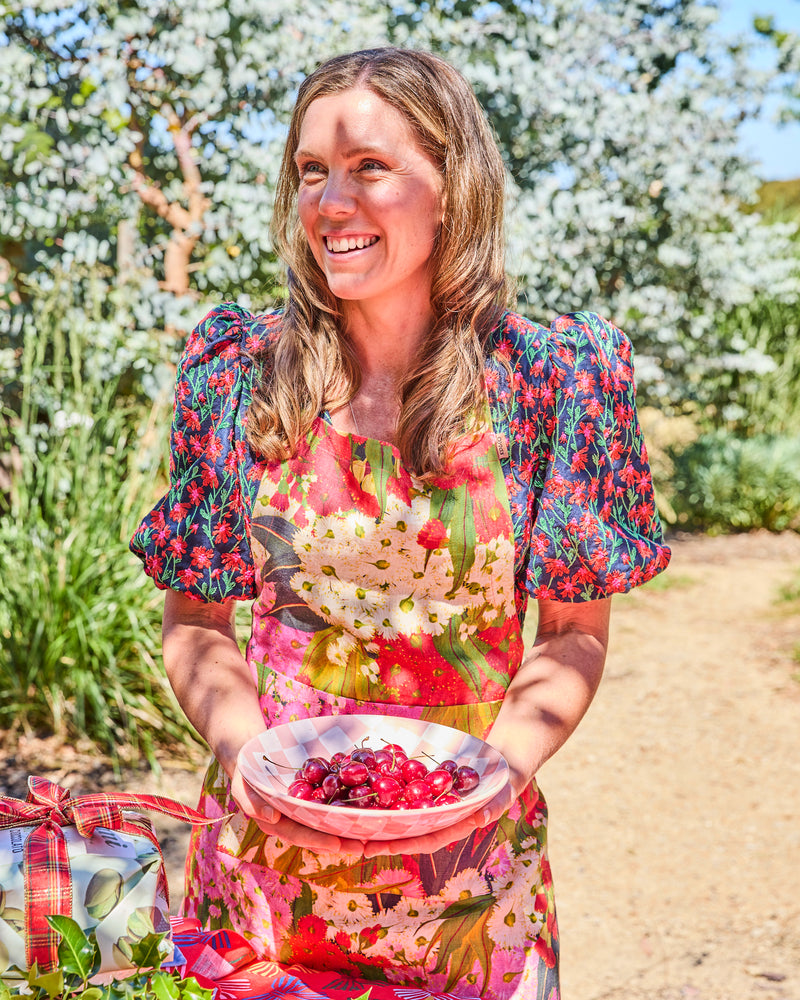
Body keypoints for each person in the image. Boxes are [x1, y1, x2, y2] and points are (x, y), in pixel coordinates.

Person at [131, 46, 670, 1000]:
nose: (330, 202)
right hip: (264, 884)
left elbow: (575, 633)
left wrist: (499, 772)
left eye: (368, 166)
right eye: (310, 172)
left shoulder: (552, 383)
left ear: (451, 185)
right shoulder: (239, 374)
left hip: (469, 888)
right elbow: (198, 622)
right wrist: (246, 755)